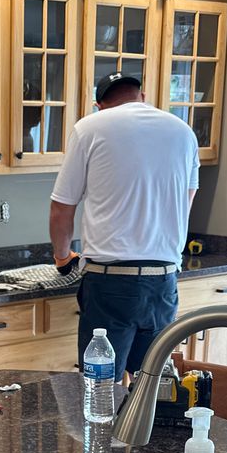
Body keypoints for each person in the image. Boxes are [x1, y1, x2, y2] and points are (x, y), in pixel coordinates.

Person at [49, 72, 199, 380]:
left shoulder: (89, 128)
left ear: (99, 104)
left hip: (111, 282)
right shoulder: (183, 131)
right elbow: (187, 198)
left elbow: (62, 208)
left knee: (101, 386)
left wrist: (63, 257)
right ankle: (141, 429)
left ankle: (107, 430)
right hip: (163, 281)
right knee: (150, 383)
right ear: (142, 96)